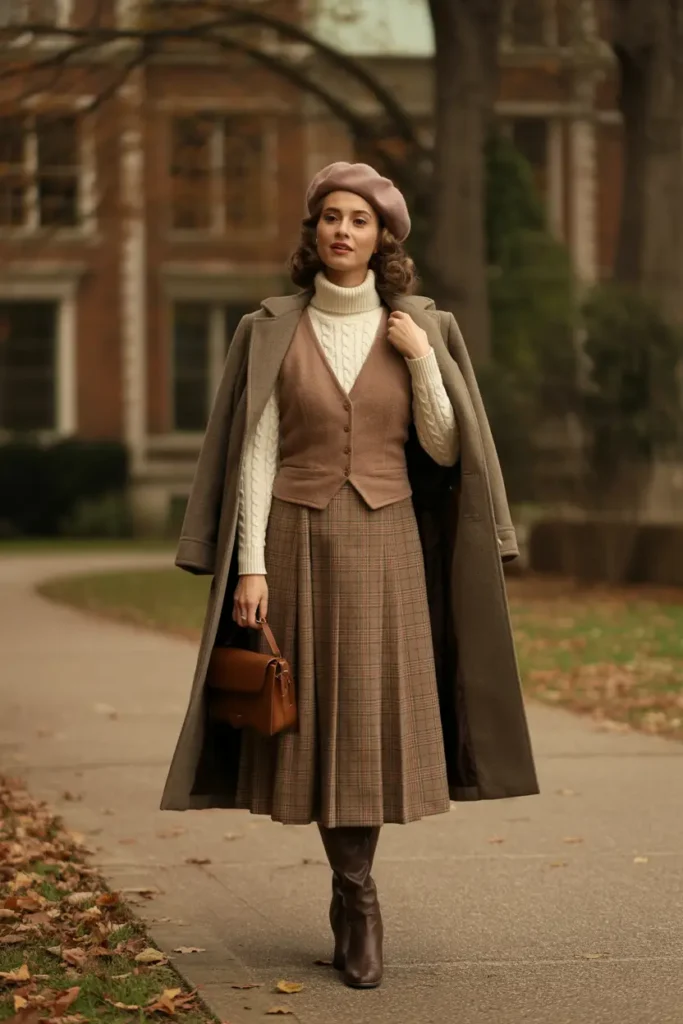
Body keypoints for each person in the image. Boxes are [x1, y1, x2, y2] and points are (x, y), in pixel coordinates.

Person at [160, 162, 539, 991]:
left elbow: (443, 449)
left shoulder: (420, 326)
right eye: (329, 216)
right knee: (311, 721)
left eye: (358, 221)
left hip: (386, 538)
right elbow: (255, 452)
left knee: (364, 723)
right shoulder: (268, 329)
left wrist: (423, 364)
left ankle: (355, 897)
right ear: (313, 232)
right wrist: (249, 567)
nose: (341, 230)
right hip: (292, 539)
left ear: (382, 239)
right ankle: (355, 891)